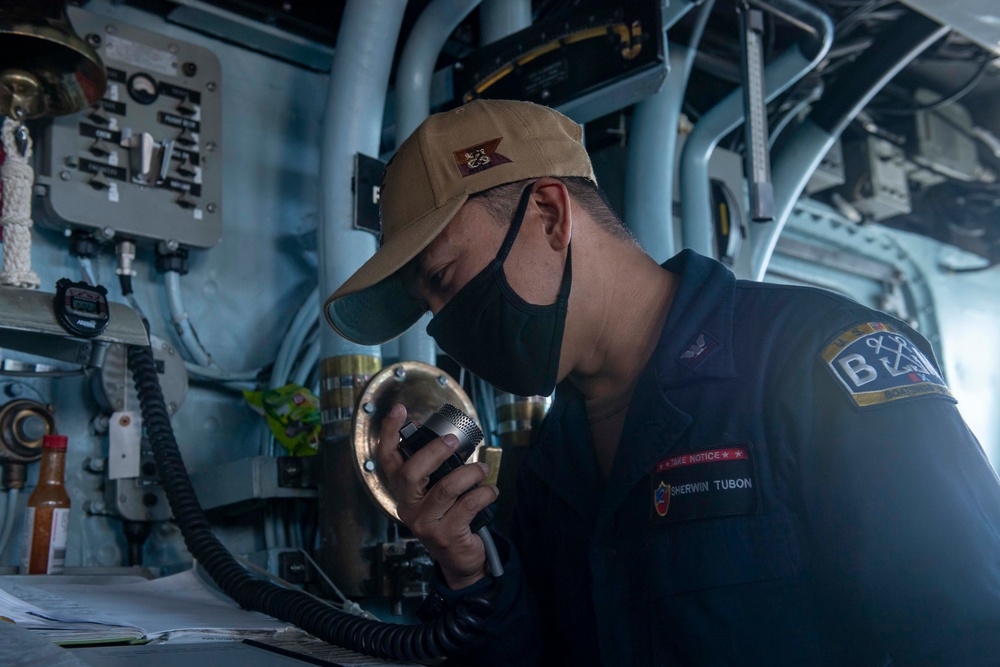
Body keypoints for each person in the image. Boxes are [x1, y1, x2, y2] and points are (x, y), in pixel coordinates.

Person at [324, 99, 1000, 665]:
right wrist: (470, 572)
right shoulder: (549, 463)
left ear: (552, 216)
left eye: (445, 281)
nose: (446, 326)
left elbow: (971, 631)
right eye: (429, 308)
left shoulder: (815, 364)